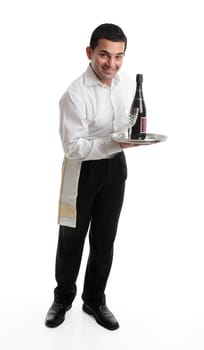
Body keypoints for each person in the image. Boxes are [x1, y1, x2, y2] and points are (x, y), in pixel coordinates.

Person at [45, 23, 140, 331]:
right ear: (90, 53)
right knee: (71, 239)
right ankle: (62, 299)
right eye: (104, 55)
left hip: (115, 169)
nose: (111, 64)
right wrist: (115, 141)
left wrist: (133, 134)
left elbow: (129, 120)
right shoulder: (74, 94)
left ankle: (94, 300)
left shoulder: (126, 84)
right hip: (81, 171)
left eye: (118, 56)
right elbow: (73, 147)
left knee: (104, 239)